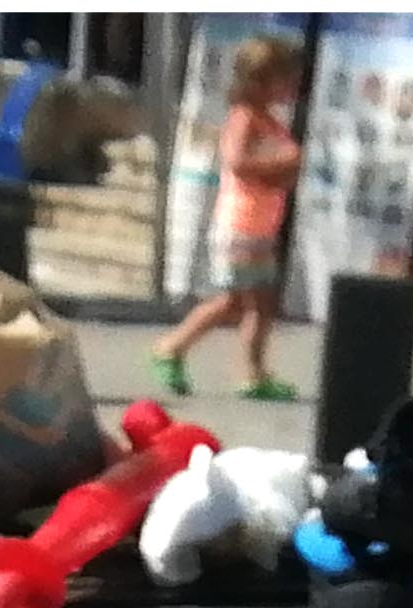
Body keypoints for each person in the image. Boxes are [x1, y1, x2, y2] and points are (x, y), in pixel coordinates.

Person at [150, 34, 305, 405]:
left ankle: (250, 371)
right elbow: (237, 161)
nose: (291, 87)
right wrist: (283, 163)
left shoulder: (269, 122)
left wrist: (286, 169)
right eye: (284, 79)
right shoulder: (244, 119)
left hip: (260, 227)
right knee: (238, 302)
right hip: (241, 225)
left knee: (256, 303)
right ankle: (173, 347)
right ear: (260, 82)